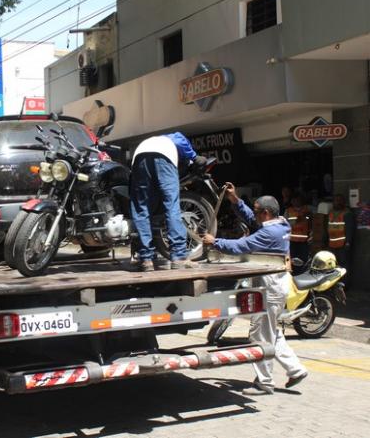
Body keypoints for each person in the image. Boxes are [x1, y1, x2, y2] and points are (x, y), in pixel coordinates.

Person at [203, 183, 307, 395]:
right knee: (273, 333)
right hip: (275, 286)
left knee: (260, 336)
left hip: (270, 289)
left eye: (258, 211)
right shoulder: (280, 225)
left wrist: (215, 242)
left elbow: (241, 246)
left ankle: (264, 382)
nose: (255, 215)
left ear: (266, 213)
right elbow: (251, 219)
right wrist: (235, 200)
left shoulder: (269, 235)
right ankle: (296, 369)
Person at [130, 132, 207, 271]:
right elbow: (180, 141)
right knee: (172, 206)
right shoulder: (172, 137)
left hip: (139, 156)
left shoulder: (152, 140)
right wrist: (194, 157)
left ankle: (146, 259)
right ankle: (179, 257)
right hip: (163, 156)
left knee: (142, 208)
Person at [327, 193, 355, 272]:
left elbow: (350, 229)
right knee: (333, 266)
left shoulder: (347, 213)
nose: (338, 202)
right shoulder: (331, 213)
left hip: (343, 245)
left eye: (340, 201)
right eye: (336, 201)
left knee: (343, 266)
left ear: (344, 202)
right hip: (332, 245)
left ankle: (344, 283)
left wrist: (348, 242)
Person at [285, 193, 313, 265]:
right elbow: (285, 224)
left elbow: (311, 221)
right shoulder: (288, 210)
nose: (295, 201)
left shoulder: (307, 209)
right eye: (293, 200)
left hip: (304, 240)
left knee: (303, 260)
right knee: (293, 260)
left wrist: (307, 216)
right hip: (292, 240)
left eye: (297, 199)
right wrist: (296, 221)